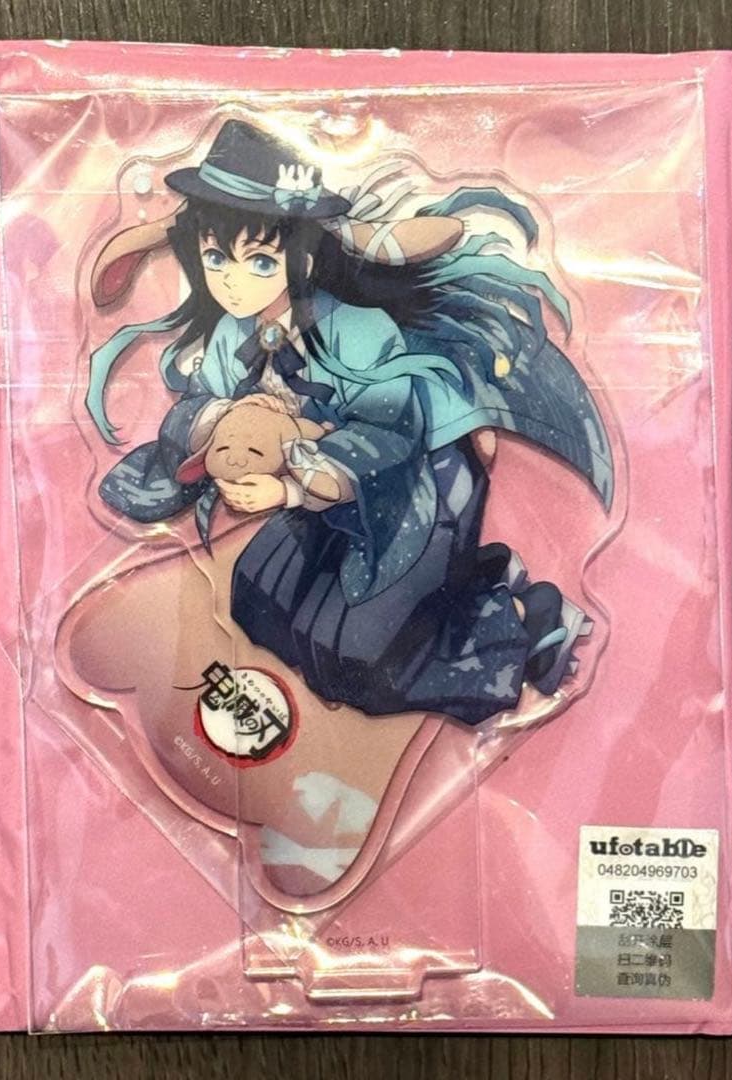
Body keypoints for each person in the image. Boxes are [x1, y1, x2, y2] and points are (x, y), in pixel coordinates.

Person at [86, 118, 613, 726]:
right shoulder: (234, 331)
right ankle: (467, 582)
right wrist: (226, 428)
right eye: (215, 257)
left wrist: (287, 488)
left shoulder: (357, 329)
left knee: (359, 661)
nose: (232, 280)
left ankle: (526, 617)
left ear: (303, 255)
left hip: (415, 484)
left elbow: (388, 438)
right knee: (258, 603)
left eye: (261, 261)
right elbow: (200, 404)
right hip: (330, 492)